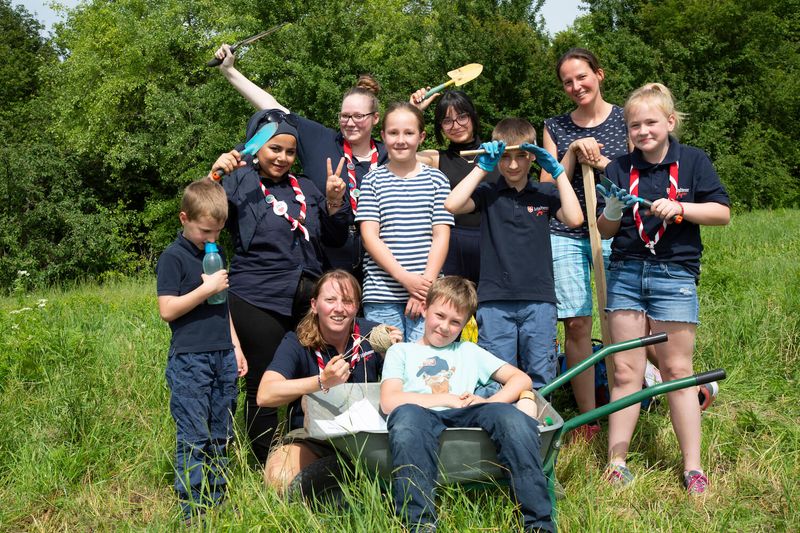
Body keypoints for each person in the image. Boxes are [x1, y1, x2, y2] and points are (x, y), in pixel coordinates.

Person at [597, 83, 730, 494]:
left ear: (670, 122)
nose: (642, 131)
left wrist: (683, 208)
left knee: (676, 371)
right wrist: (613, 211)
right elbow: (603, 229)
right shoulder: (618, 168)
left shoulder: (692, 162)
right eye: (634, 125)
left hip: (674, 276)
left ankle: (693, 468)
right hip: (624, 273)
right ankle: (616, 462)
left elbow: (722, 213)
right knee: (625, 371)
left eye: (651, 122)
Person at [208, 111, 349, 464]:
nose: (282, 158)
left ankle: (304, 455)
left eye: (289, 151)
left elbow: (333, 239)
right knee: (264, 381)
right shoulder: (238, 182)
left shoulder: (307, 187)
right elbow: (202, 214)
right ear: (257, 147)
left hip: (307, 299)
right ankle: (264, 465)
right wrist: (214, 175)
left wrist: (333, 202)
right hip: (258, 297)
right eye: (275, 149)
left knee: (311, 376)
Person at [380, 276, 554, 533]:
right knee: (406, 420)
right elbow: (389, 400)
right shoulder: (402, 352)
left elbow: (521, 379)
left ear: (464, 325)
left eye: (455, 322)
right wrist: (444, 399)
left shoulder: (468, 351)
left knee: (513, 419)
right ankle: (419, 524)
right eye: (439, 315)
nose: (445, 327)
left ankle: (538, 523)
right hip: (419, 413)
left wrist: (490, 402)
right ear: (425, 308)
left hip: (468, 411)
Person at [213, 44, 388, 275]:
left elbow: (416, 144)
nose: (350, 122)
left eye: (358, 116)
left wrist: (415, 110)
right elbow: (273, 108)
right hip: (329, 264)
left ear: (375, 118)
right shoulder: (321, 140)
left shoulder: (389, 154)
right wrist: (230, 72)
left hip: (381, 264)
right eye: (345, 116)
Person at [444, 118, 583, 390]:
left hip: (539, 301)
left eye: (521, 156)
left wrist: (557, 172)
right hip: (495, 301)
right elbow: (452, 204)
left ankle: (539, 429)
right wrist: (482, 167)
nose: (513, 165)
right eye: (505, 157)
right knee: (497, 376)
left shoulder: (545, 193)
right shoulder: (488, 193)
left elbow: (576, 219)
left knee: (540, 374)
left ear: (532, 156)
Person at [540, 48, 631, 437]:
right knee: (577, 323)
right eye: (567, 81)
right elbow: (546, 188)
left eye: (582, 77)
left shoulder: (626, 120)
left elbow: (637, 175)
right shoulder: (556, 126)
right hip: (566, 233)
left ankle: (623, 405)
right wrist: (573, 154)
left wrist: (603, 159)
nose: (576, 86)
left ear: (599, 74)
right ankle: (587, 418)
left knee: (619, 322)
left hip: (614, 229)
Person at [256, 269, 400, 491]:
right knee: (278, 478)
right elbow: (265, 394)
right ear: (314, 305)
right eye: (330, 300)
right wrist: (321, 381)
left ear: (356, 306)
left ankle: (350, 474)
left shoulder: (373, 335)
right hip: (314, 438)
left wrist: (396, 355)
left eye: (348, 301)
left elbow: (408, 386)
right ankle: (340, 471)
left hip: (368, 437)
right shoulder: (297, 341)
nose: (339, 308)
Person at [156, 179, 248, 519]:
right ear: (184, 219)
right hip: (190, 359)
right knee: (194, 434)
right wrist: (205, 288)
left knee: (221, 431)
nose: (212, 239)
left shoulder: (217, 253)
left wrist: (235, 346)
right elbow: (167, 310)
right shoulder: (173, 258)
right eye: (205, 231)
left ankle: (218, 499)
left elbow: (221, 308)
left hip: (222, 354)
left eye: (218, 232)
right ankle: (193, 507)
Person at [355, 102, 454, 342]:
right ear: (382, 136)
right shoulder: (372, 180)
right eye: (393, 133)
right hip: (383, 294)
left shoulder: (437, 180)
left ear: (421, 136)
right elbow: (369, 236)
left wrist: (423, 289)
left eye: (409, 133)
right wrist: (404, 278)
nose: (401, 140)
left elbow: (441, 236)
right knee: (390, 365)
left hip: (428, 294)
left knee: (425, 363)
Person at [410, 88, 501, 284]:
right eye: (447, 120)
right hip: (452, 248)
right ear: (440, 126)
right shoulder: (436, 158)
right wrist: (414, 111)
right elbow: (399, 155)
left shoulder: (496, 155)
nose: (456, 125)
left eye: (462, 117)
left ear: (473, 116)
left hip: (495, 245)